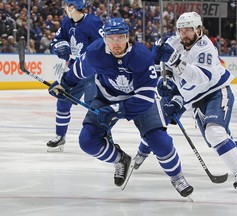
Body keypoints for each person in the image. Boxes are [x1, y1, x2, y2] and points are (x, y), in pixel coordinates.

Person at [48, 17, 193, 197]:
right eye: (111, 39)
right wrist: (64, 86)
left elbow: (145, 97)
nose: (115, 44)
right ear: (104, 38)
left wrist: (116, 110)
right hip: (107, 98)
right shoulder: (95, 53)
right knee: (87, 141)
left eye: (120, 38)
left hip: (139, 101)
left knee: (159, 141)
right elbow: (76, 71)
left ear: (127, 37)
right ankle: (120, 159)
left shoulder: (141, 56)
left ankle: (177, 177)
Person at [148, 11, 237, 193]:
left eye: (188, 30)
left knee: (215, 133)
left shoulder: (205, 47)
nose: (184, 34)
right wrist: (164, 77)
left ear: (199, 30)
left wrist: (175, 61)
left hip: (215, 92)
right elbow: (163, 66)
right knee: (218, 140)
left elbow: (201, 78)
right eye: (181, 30)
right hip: (194, 101)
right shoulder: (173, 43)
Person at [47, 0, 103, 152]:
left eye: (66, 5)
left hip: (91, 73)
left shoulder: (93, 22)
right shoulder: (66, 22)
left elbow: (102, 46)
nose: (65, 8)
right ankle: (60, 137)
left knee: (95, 106)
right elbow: (56, 42)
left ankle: (104, 137)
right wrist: (59, 47)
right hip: (73, 72)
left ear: (72, 7)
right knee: (63, 101)